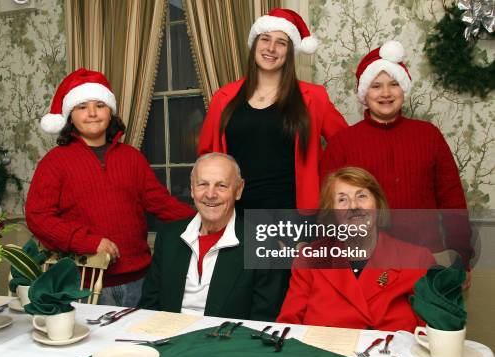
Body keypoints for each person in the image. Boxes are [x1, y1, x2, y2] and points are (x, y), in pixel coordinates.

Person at [26, 68, 195, 307]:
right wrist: (88, 242)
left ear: (111, 111)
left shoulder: (132, 158)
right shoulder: (54, 162)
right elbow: (38, 217)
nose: (92, 113)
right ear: (70, 116)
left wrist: (207, 218)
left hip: (141, 280)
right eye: (82, 106)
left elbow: (162, 204)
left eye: (100, 105)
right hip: (84, 282)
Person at [320, 41, 473, 269]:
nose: (385, 93)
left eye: (393, 84)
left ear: (403, 89)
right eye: (376, 86)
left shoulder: (428, 135)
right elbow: (329, 210)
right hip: (365, 259)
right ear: (365, 93)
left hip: (427, 256)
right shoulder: (342, 143)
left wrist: (460, 254)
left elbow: (452, 199)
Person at [198, 8, 347, 212]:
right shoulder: (223, 98)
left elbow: (346, 145)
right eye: (265, 39)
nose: (271, 48)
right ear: (254, 45)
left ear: (290, 52)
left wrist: (325, 185)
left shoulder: (314, 97)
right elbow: (206, 158)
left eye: (281, 42)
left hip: (294, 216)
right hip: (235, 214)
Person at [276, 167, 436, 331]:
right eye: (342, 200)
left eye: (361, 196)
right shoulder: (308, 259)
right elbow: (287, 330)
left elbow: (433, 337)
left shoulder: (418, 260)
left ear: (377, 204)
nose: (353, 206)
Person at [139, 153, 287, 321]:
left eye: (221, 186)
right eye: (202, 184)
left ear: (238, 190)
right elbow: (149, 307)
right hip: (168, 339)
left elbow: (263, 323)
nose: (210, 194)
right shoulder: (169, 236)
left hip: (228, 342)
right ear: (192, 189)